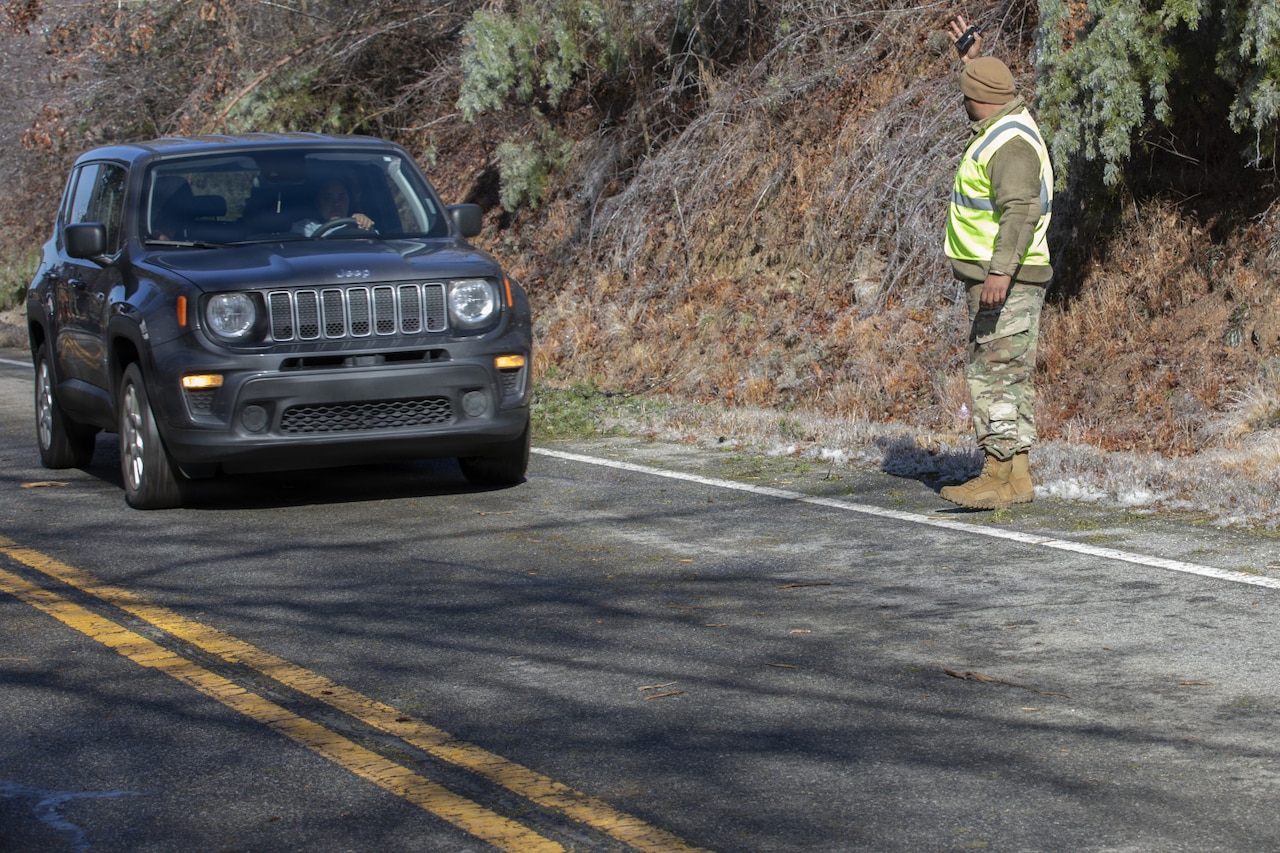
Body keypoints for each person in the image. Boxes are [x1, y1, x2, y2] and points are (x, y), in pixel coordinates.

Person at [938, 16, 1054, 510]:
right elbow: (983, 88)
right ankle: (1018, 478)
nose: (963, 104)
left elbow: (1021, 211)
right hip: (997, 276)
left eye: (966, 93)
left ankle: (997, 476)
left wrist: (1001, 272)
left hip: (1005, 279)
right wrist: (971, 61)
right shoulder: (1004, 120)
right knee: (1007, 375)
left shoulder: (1010, 144)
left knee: (995, 377)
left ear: (978, 101)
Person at [294, 178, 375, 236]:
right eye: (327, 198)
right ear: (317, 203)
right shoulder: (305, 227)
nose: (336, 204)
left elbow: (378, 246)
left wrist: (363, 225)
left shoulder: (357, 224)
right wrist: (346, 231)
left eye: (341, 198)